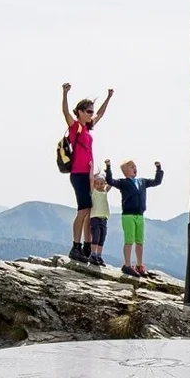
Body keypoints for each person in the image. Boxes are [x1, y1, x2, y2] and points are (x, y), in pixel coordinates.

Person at [60, 83, 112, 263]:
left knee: (89, 210)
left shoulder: (88, 128)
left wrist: (108, 98)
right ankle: (75, 247)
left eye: (91, 111)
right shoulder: (75, 126)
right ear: (80, 111)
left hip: (87, 174)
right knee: (82, 210)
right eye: (88, 111)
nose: (91, 114)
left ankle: (86, 247)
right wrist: (65, 93)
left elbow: (101, 114)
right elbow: (65, 113)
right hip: (78, 173)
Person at [104, 159, 162, 277]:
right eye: (131, 167)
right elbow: (109, 180)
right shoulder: (123, 183)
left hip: (140, 215)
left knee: (140, 242)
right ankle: (127, 265)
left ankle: (139, 265)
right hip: (128, 215)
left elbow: (157, 181)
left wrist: (158, 169)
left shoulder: (142, 182)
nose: (134, 168)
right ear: (125, 172)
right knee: (129, 241)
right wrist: (108, 167)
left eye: (135, 166)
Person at [87, 173, 112, 267]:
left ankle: (99, 255)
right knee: (96, 237)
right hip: (95, 218)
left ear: (104, 184)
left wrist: (108, 171)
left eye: (102, 183)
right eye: (97, 183)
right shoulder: (94, 192)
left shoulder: (105, 191)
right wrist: (93, 171)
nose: (99, 185)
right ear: (94, 184)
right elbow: (90, 180)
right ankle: (93, 255)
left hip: (104, 219)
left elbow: (111, 183)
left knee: (102, 238)